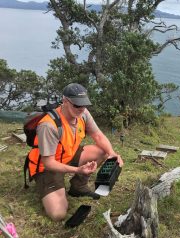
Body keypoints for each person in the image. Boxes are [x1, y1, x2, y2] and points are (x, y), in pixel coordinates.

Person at [26, 83, 124, 221]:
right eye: (77, 105)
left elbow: (98, 136)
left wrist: (112, 153)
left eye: (84, 104)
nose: (81, 109)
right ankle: (47, 186)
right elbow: (48, 163)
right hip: (48, 166)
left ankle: (78, 187)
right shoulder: (49, 125)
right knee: (58, 214)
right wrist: (78, 169)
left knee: (103, 151)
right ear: (65, 101)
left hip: (68, 154)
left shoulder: (83, 114)